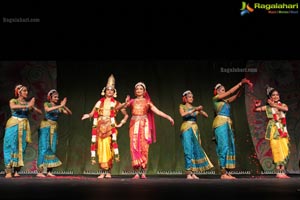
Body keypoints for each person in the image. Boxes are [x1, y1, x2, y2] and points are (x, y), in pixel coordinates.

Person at [81, 74, 128, 179]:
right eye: (108, 90)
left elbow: (125, 114)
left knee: (108, 148)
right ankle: (102, 171)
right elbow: (92, 113)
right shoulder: (99, 102)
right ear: (105, 91)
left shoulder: (116, 103)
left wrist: (122, 122)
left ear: (114, 92)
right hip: (99, 127)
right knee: (100, 149)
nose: (110, 92)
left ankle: (108, 171)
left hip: (110, 127)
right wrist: (87, 115)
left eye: (112, 90)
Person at [124, 82, 174, 179]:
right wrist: (125, 104)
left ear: (144, 91)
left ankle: (143, 172)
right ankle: (136, 172)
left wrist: (168, 117)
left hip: (144, 126)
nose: (138, 90)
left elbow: (157, 111)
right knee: (134, 147)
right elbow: (120, 108)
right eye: (137, 89)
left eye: (141, 89)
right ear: (135, 91)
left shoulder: (147, 102)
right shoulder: (132, 101)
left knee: (144, 148)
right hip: (134, 125)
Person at [212, 78, 252, 179]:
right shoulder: (215, 99)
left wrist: (243, 86)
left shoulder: (226, 101)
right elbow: (230, 92)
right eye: (221, 90)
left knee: (230, 146)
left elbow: (237, 95)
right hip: (220, 123)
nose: (223, 91)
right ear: (217, 91)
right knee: (223, 146)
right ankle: (223, 172)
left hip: (227, 124)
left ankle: (228, 172)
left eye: (224, 90)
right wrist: (240, 83)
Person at [3, 84, 42, 178]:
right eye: (24, 91)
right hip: (14, 124)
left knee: (22, 147)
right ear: (19, 92)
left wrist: (32, 106)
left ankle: (16, 170)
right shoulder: (14, 101)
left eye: (27, 91)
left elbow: (40, 112)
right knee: (10, 145)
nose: (26, 92)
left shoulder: (28, 103)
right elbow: (12, 107)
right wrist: (28, 105)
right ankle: (8, 171)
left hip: (24, 126)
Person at [253, 85, 290, 179]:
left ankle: (283, 171)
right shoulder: (267, 107)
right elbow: (256, 110)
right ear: (270, 97)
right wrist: (256, 106)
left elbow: (286, 109)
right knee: (277, 150)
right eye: (273, 95)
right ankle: (278, 172)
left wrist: (274, 105)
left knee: (284, 150)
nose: (276, 96)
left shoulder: (283, 105)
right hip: (274, 130)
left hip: (283, 129)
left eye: (277, 95)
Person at [36, 89, 72, 178]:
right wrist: (60, 105)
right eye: (55, 97)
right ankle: (40, 171)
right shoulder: (47, 104)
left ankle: (49, 171)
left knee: (52, 148)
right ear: (50, 98)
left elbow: (69, 113)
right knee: (44, 147)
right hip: (46, 127)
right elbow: (47, 110)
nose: (57, 98)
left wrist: (64, 106)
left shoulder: (59, 107)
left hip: (54, 128)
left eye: (57, 97)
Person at [179, 90, 214, 179]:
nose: (191, 98)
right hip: (186, 128)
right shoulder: (182, 106)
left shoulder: (195, 107)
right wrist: (194, 109)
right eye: (189, 97)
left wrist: (200, 110)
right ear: (185, 98)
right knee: (188, 149)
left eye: (192, 97)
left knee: (195, 150)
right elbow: (183, 114)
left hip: (195, 129)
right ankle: (188, 172)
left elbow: (206, 116)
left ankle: (193, 172)